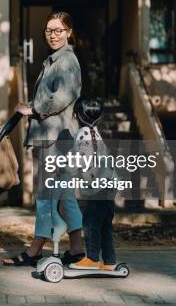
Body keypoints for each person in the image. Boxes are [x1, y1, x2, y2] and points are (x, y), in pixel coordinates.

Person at [3, 11, 84, 267]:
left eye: (58, 30)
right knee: (65, 196)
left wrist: (34, 110)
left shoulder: (67, 61)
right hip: (54, 136)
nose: (53, 35)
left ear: (69, 32)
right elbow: (50, 96)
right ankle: (78, 250)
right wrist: (30, 105)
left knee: (46, 195)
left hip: (54, 139)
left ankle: (35, 250)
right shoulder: (53, 61)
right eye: (49, 30)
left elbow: (62, 97)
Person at [69, 98, 117, 271]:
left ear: (76, 115)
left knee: (90, 223)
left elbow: (82, 160)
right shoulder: (95, 132)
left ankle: (92, 259)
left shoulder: (83, 133)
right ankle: (110, 261)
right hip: (109, 185)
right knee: (105, 225)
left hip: (99, 186)